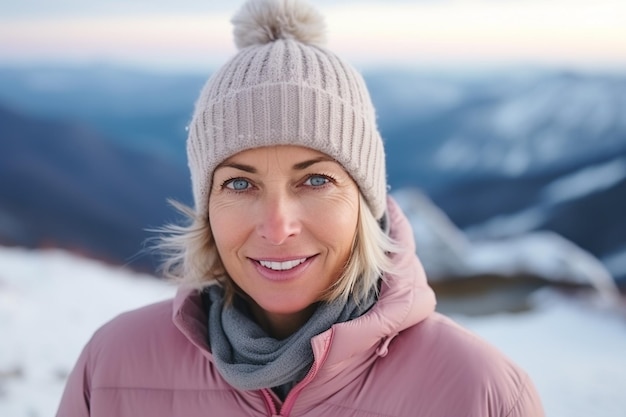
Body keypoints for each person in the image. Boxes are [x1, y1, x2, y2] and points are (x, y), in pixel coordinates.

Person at [56, 0, 545, 415]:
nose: (277, 226)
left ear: (365, 200)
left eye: (315, 180)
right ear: (207, 208)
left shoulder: (478, 391)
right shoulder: (113, 366)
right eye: (240, 184)